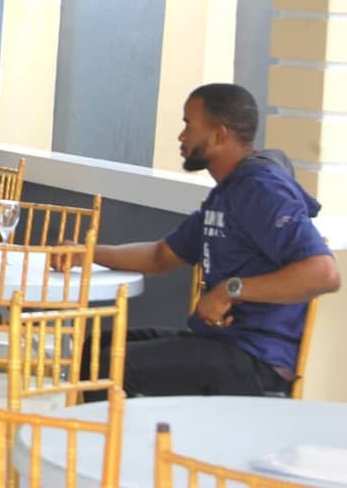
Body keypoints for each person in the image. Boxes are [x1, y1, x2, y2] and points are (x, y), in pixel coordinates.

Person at [57, 83, 339, 400]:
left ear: (219, 134)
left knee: (110, 366)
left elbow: (323, 273)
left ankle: (122, 433)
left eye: (189, 125)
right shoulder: (226, 193)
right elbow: (161, 255)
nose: (181, 136)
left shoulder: (262, 189)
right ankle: (118, 430)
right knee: (95, 347)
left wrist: (230, 289)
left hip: (258, 360)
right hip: (220, 343)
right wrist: (88, 254)